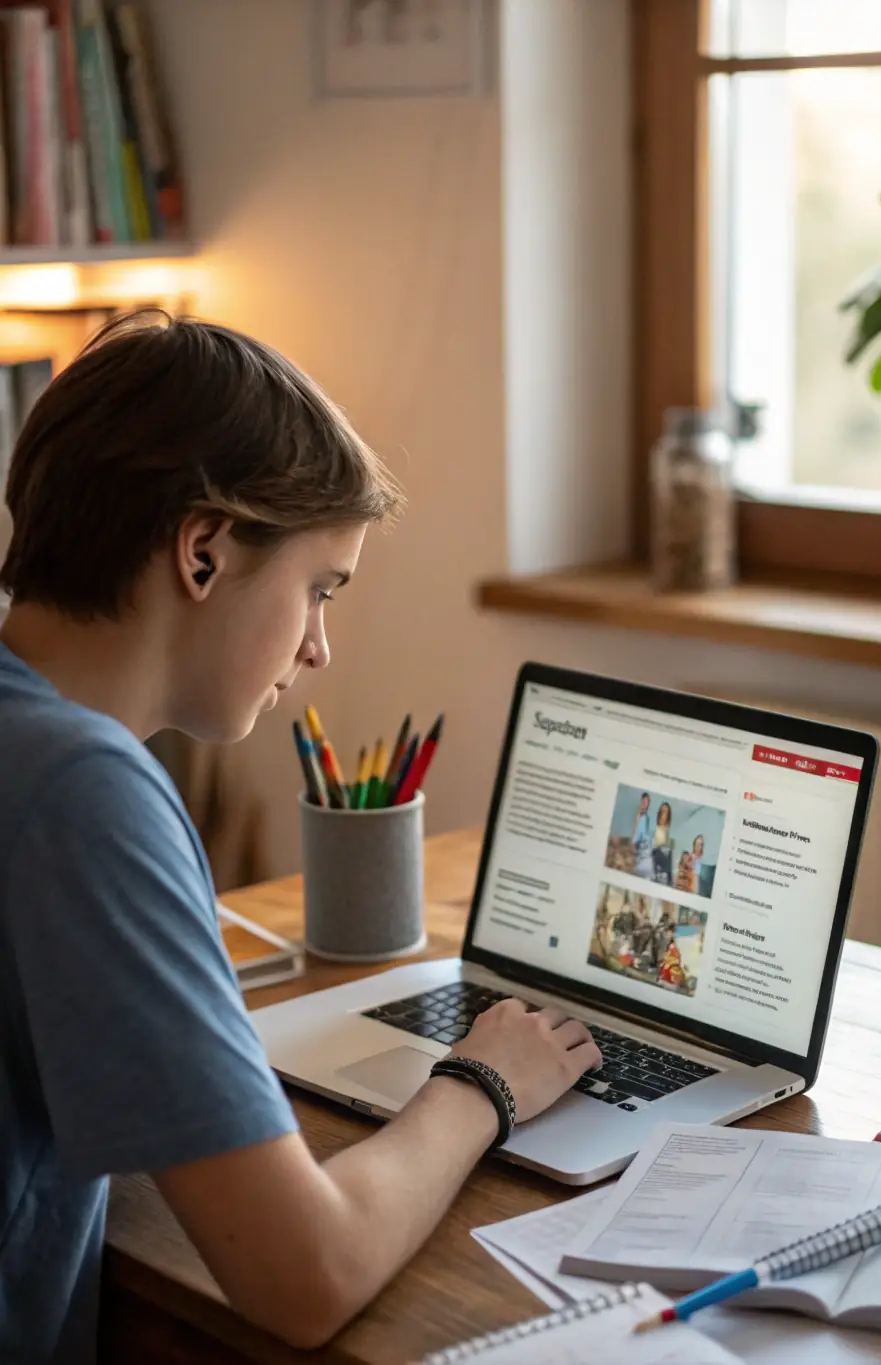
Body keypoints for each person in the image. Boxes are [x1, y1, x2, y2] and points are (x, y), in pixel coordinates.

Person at [0, 311, 601, 1362]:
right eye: (319, 589)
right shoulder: (83, 793)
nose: (318, 648)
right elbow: (304, 1276)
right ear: (203, 550)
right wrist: (480, 1083)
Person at [631, 791, 654, 879]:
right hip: (637, 841)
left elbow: (645, 831)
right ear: (641, 802)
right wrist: (633, 841)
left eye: (647, 802)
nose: (645, 803)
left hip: (643, 842)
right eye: (643, 801)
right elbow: (635, 828)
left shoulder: (647, 816)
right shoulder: (639, 814)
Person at [651, 800, 673, 885]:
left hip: (663, 857)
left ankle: (669, 880)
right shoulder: (655, 828)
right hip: (655, 854)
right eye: (663, 811)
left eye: (666, 812)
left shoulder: (667, 830)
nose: (664, 814)